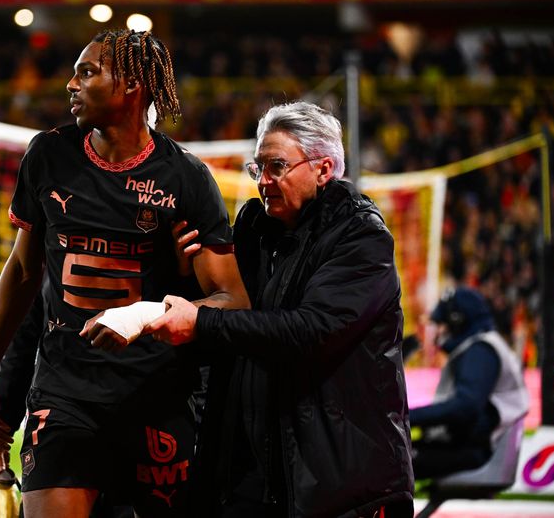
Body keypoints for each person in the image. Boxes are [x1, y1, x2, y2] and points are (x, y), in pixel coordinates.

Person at [0, 28, 249, 518]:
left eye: (87, 72)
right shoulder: (48, 156)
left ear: (133, 85)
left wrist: (153, 310)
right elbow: (21, 274)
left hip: (157, 397)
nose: (70, 85)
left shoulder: (185, 178)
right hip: (65, 394)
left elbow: (233, 301)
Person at [142, 101, 415, 517]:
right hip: (253, 479)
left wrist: (202, 320)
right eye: (258, 169)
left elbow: (310, 332)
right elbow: (227, 334)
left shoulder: (361, 238)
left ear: (323, 169)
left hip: (341, 487)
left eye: (277, 167)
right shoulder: (253, 230)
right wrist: (183, 280)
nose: (263, 181)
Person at [409, 286, 529, 479]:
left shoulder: (480, 351)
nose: (438, 331)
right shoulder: (479, 347)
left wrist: (407, 417)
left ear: (457, 321)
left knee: (384, 462)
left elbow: (465, 407)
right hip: (473, 445)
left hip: (475, 451)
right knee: (385, 458)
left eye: (442, 324)